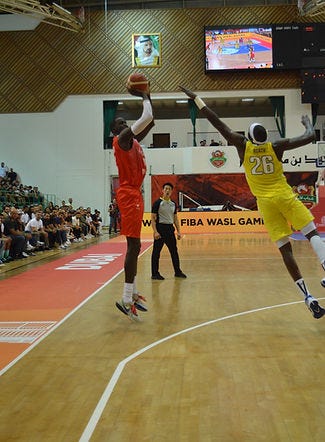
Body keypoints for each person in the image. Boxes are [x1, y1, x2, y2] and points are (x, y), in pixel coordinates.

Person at [180, 85, 325, 319]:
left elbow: (217, 122)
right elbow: (309, 137)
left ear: (248, 137)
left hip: (266, 204)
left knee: (285, 249)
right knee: (310, 232)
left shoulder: (242, 146)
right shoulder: (276, 146)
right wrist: (308, 124)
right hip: (284, 195)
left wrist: (196, 99)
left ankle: (307, 296)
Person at [110, 83, 154, 320]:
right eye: (119, 123)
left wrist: (150, 96)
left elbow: (151, 120)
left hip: (135, 193)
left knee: (135, 246)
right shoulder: (122, 141)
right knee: (134, 246)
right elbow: (146, 115)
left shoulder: (134, 141)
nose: (124, 124)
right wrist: (143, 94)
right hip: (128, 194)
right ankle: (127, 297)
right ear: (114, 131)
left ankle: (133, 292)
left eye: (125, 122)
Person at [151, 182, 186, 280]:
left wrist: (179, 231)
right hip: (160, 229)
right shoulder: (157, 203)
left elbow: (175, 219)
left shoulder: (173, 204)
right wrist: (155, 231)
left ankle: (177, 272)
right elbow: (153, 218)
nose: (167, 191)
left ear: (171, 192)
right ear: (162, 190)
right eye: (165, 189)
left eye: (169, 189)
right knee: (156, 253)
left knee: (174, 251)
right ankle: (155, 273)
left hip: (170, 229)